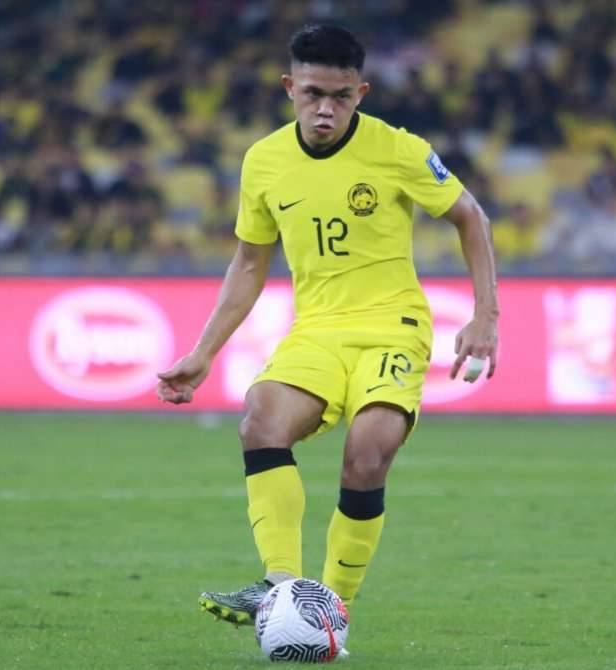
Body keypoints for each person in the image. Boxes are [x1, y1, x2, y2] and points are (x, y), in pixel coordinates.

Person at [156, 23, 499, 638]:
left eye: (341, 96)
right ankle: (280, 585)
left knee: (367, 453)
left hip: (392, 328)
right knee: (260, 420)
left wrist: (485, 316)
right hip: (316, 329)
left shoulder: (399, 150)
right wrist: (204, 352)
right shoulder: (263, 161)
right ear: (290, 87)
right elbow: (249, 264)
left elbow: (470, 218)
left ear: (360, 93)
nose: (326, 109)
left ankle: (329, 610)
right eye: (313, 93)